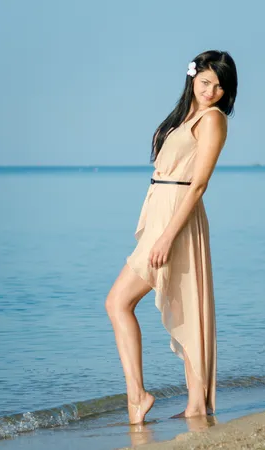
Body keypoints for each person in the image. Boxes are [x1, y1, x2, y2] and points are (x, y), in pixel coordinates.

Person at [105, 50, 238, 425]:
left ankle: (139, 397)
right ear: (192, 78)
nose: (211, 91)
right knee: (179, 301)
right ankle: (193, 404)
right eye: (205, 82)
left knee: (119, 301)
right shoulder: (186, 116)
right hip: (163, 210)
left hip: (178, 217)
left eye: (219, 85)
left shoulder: (213, 119)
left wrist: (165, 237)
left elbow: (198, 186)